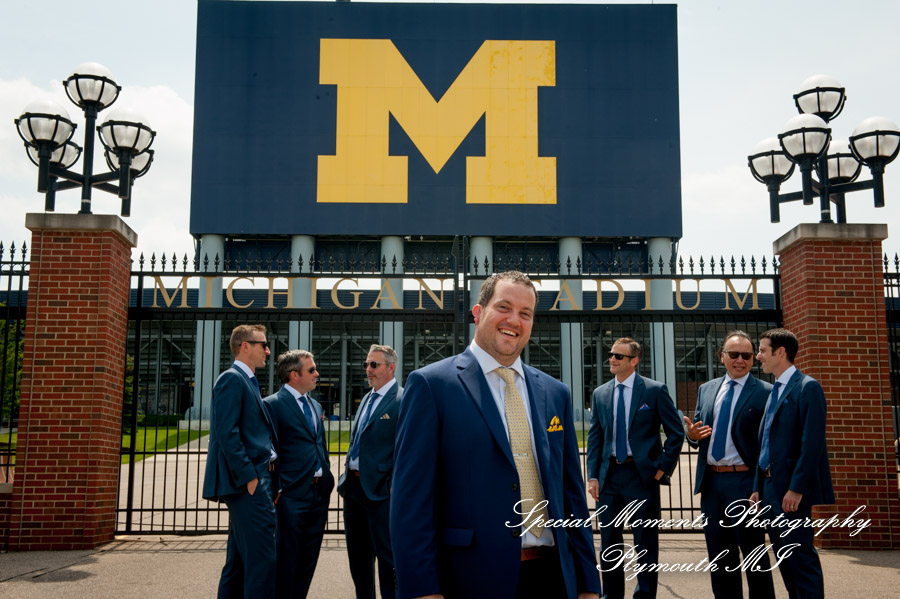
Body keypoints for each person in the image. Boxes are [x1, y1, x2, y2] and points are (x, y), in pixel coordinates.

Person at [391, 271, 601, 599]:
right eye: (504, 307)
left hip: (554, 577)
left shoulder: (555, 392)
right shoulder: (432, 386)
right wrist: (422, 591)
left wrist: (588, 584)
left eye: (525, 313)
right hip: (470, 578)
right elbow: (411, 502)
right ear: (478, 313)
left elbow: (571, 495)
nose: (514, 320)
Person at [585, 337, 683, 599]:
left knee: (645, 543)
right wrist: (592, 476)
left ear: (634, 361)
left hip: (642, 477)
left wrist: (662, 468)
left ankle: (645, 595)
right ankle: (611, 595)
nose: (612, 359)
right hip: (609, 477)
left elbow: (676, 433)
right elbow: (595, 437)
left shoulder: (654, 390)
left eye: (619, 356)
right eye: (611, 354)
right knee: (609, 542)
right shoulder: (601, 393)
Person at [683, 331, 775, 599]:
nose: (740, 360)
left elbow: (768, 443)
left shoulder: (766, 392)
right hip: (712, 484)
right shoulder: (707, 389)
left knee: (754, 554)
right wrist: (692, 436)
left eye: (746, 355)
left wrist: (759, 485)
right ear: (722, 356)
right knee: (720, 556)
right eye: (734, 354)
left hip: (745, 484)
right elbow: (698, 432)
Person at [751, 328, 834, 599]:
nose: (758, 356)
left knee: (800, 558)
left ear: (780, 352)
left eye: (762, 350)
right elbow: (765, 442)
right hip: (769, 488)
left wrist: (797, 488)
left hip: (790, 491)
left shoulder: (807, 387)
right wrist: (758, 486)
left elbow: (812, 445)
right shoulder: (775, 390)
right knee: (784, 558)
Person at [202, 324, 277, 599]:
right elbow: (226, 433)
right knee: (262, 560)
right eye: (263, 345)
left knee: (237, 564)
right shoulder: (232, 379)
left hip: (253, 480)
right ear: (245, 346)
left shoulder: (247, 380)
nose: (268, 351)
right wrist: (249, 477)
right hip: (248, 482)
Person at [262, 350, 334, 598]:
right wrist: (277, 488)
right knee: (287, 559)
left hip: (318, 493)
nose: (317, 374)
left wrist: (326, 473)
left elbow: (319, 444)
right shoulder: (272, 405)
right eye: (311, 370)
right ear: (294, 374)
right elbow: (267, 449)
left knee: (308, 560)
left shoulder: (315, 405)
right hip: (290, 495)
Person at [337, 344, 402, 599]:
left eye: (374, 364)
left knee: (388, 559)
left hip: (381, 492)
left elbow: (406, 448)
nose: (368, 369)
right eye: (366, 364)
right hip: (354, 490)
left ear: (391, 367)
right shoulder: (367, 398)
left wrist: (393, 483)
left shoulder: (402, 399)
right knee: (358, 560)